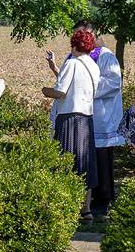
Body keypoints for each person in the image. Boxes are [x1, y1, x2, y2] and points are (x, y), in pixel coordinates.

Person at [43, 28, 101, 189]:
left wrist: (45, 91)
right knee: (84, 164)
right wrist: (53, 66)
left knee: (65, 161)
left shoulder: (72, 63)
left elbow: (60, 92)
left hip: (68, 119)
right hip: (86, 119)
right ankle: (86, 208)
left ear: (75, 46)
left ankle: (65, 204)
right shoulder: (94, 66)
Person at [88, 31, 125, 220]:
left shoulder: (106, 56)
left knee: (102, 161)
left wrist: (87, 84)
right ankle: (88, 200)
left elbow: (113, 83)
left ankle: (103, 201)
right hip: (85, 117)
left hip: (102, 118)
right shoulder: (79, 55)